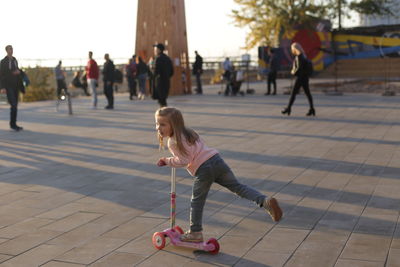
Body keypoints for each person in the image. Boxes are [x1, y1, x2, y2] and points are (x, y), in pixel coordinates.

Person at [155, 107, 283, 242]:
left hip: (204, 169)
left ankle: (195, 232)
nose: (158, 128)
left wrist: (166, 161)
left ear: (174, 124)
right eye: (157, 124)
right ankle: (265, 201)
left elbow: (184, 160)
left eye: (162, 124)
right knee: (238, 187)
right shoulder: (190, 133)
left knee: (197, 201)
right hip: (217, 160)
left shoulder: (173, 141)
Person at [282, 42, 315, 116]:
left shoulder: (299, 57)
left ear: (294, 49)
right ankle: (312, 109)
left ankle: (288, 108)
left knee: (293, 94)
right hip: (305, 78)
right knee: (307, 93)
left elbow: (299, 69)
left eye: (292, 49)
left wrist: (292, 72)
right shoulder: (304, 56)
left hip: (300, 78)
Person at [0, 45, 25, 131]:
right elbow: (2, 75)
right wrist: (2, 87)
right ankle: (13, 124)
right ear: (6, 50)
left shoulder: (14, 60)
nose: (11, 50)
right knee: (13, 105)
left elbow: (17, 70)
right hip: (8, 85)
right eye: (10, 49)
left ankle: (14, 124)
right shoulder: (3, 61)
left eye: (12, 49)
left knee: (15, 105)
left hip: (16, 85)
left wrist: (19, 71)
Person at [153, 43, 174, 107]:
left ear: (159, 50)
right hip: (166, 81)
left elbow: (156, 71)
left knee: (161, 100)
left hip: (160, 82)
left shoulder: (158, 59)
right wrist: (167, 76)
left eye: (155, 49)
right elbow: (172, 71)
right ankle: (164, 112)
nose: (154, 51)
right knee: (164, 99)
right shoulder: (168, 58)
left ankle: (163, 114)